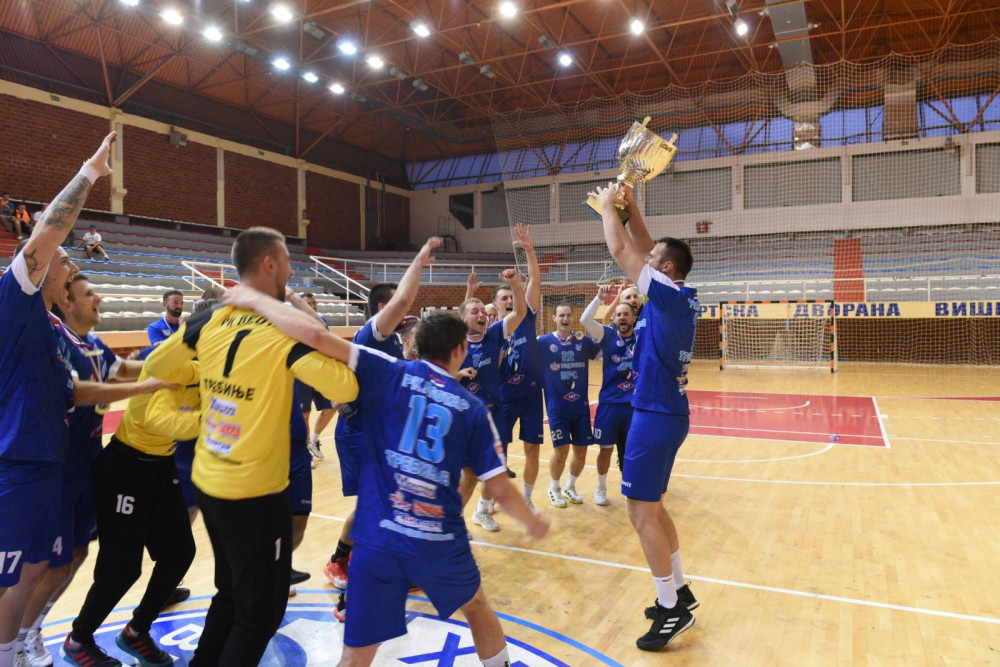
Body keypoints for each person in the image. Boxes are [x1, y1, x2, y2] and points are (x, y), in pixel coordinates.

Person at [214, 292, 550, 667]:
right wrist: (532, 521)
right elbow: (500, 488)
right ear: (460, 351)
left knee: (355, 656)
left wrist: (256, 300)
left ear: (417, 346)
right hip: (437, 540)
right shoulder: (471, 408)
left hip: (378, 538)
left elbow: (318, 336)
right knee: (476, 607)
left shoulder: (389, 372)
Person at [142, 226, 359, 666]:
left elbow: (156, 363)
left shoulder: (208, 319)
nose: (291, 271)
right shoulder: (282, 329)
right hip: (255, 493)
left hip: (210, 480)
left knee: (230, 591)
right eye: (288, 262)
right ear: (269, 263)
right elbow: (346, 387)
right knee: (261, 613)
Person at [0, 131, 122, 667]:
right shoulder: (15, 297)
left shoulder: (50, 329)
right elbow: (47, 231)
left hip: (50, 462)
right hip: (18, 464)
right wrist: (90, 172)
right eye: (65, 261)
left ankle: (15, 648)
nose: (70, 267)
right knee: (10, 579)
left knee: (34, 574)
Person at [20, 274, 152, 667]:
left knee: (77, 553)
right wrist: (152, 384)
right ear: (67, 303)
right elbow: (78, 392)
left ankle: (34, 627)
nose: (99, 298)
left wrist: (171, 365)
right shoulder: (57, 338)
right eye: (89, 293)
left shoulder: (92, 343)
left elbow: (122, 369)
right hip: (57, 467)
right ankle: (17, 640)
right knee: (51, 563)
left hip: (87, 464)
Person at [591, 182, 701, 651]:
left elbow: (621, 248)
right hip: (667, 412)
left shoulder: (668, 295)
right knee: (654, 508)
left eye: (654, 259)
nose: (646, 259)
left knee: (639, 512)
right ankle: (679, 590)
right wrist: (631, 207)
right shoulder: (677, 293)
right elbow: (642, 243)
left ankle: (670, 608)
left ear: (665, 269)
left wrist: (605, 207)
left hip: (654, 414)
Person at [323, 242, 441, 591]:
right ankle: (340, 561)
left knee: (390, 502)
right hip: (358, 432)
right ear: (381, 309)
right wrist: (418, 261)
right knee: (373, 506)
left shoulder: (397, 346)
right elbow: (402, 300)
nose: (407, 309)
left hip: (381, 435)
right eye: (399, 306)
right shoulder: (371, 334)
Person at [456, 267, 526, 531]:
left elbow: (519, 312)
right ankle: (454, 522)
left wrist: (516, 284)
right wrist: (458, 374)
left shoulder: (495, 333)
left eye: (482, 312)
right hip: (467, 418)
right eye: (475, 312)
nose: (481, 315)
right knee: (470, 475)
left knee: (497, 468)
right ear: (463, 318)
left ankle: (482, 511)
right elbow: (438, 377)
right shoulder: (454, 342)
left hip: (495, 413)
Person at [536, 303, 599, 508]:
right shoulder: (543, 342)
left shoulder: (583, 341)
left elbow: (602, 347)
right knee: (561, 452)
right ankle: (554, 488)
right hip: (557, 408)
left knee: (581, 452)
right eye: (561, 315)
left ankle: (570, 486)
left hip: (580, 407)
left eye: (568, 315)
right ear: (554, 318)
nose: (565, 319)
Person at [581, 285, 638, 498]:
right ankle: (601, 488)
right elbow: (585, 320)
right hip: (609, 404)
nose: (622, 317)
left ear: (633, 318)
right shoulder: (607, 334)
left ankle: (632, 485)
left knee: (633, 450)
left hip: (634, 404)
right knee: (605, 449)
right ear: (614, 318)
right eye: (619, 314)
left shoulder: (642, 337)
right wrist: (599, 298)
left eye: (626, 314)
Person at [295, 293, 336, 460]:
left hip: (320, 372)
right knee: (304, 414)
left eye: (314, 303)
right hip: (302, 374)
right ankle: (306, 452)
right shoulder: (293, 322)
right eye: (308, 303)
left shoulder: (322, 321)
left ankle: (313, 440)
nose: (312, 306)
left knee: (331, 407)